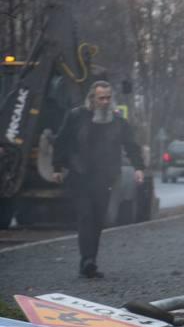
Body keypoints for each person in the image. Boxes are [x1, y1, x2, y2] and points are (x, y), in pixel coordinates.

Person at [51, 80, 145, 278]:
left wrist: (138, 168)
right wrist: (57, 167)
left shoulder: (118, 122)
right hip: (80, 175)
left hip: (105, 178)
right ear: (92, 98)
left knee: (97, 220)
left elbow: (131, 145)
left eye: (108, 98)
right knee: (86, 217)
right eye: (101, 98)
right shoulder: (76, 116)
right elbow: (61, 141)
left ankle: (91, 260)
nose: (105, 101)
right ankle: (87, 260)